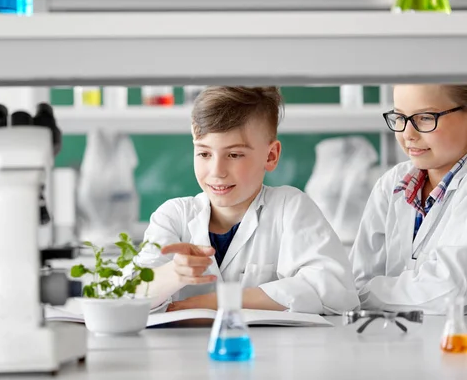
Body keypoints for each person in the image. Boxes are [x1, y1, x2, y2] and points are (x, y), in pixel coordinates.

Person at [135, 86, 359, 314]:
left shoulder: (290, 207)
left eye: (234, 155)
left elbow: (336, 291)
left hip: (276, 350)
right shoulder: (173, 216)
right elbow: (128, 295)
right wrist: (173, 273)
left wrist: (215, 303)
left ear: (270, 156)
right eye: (204, 153)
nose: (217, 171)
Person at [350, 84, 467, 315]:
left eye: (425, 118)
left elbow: (450, 288)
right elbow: (356, 279)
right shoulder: (392, 183)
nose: (407, 134)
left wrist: (366, 294)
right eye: (400, 117)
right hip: (394, 342)